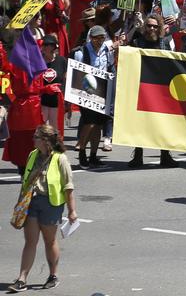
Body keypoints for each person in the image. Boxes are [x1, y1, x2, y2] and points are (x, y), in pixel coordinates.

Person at [9, 124, 77, 292]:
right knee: (30, 242)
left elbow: (68, 187)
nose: (33, 139)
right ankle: (22, 278)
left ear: (45, 141)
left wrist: (72, 211)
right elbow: (26, 181)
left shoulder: (60, 159)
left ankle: (53, 275)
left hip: (51, 204)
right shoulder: (32, 155)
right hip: (32, 202)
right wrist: (20, 203)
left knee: (50, 241)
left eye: (36, 137)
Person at [73, 26, 115, 168]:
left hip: (102, 92)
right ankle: (82, 153)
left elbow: (111, 69)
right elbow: (76, 74)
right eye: (96, 38)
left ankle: (93, 156)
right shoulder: (81, 52)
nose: (99, 40)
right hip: (86, 92)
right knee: (89, 123)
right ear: (91, 38)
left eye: (102, 37)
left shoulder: (107, 51)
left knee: (97, 125)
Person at [38, 37, 66, 133]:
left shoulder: (61, 61)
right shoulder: (38, 61)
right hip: (42, 101)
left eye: (47, 45)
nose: (44, 47)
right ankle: (41, 148)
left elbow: (66, 80)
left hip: (57, 101)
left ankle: (55, 147)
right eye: (43, 45)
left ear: (54, 47)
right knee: (42, 129)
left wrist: (68, 102)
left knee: (55, 130)